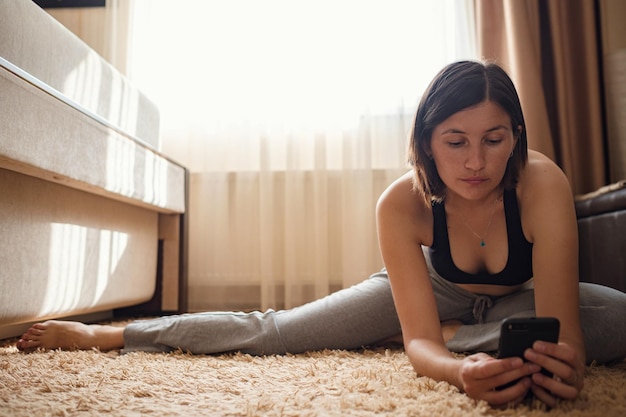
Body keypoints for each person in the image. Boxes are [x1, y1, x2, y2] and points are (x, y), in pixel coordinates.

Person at [17, 60, 626, 408]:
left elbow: (564, 330)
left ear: (516, 136)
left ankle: (458, 333)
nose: (476, 162)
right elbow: (421, 351)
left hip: (517, 301)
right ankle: (112, 333)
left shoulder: (540, 183)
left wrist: (565, 366)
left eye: (494, 140)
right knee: (277, 332)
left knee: (618, 320)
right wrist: (456, 371)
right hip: (426, 293)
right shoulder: (400, 203)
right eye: (455, 142)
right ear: (425, 145)